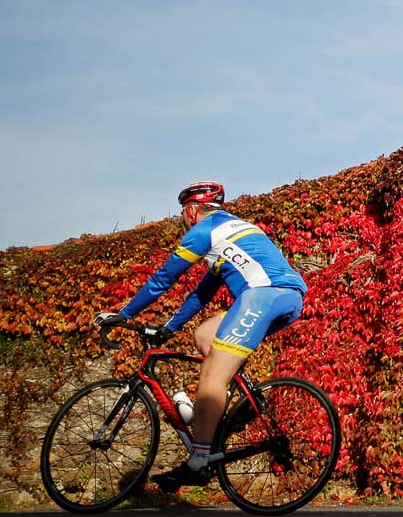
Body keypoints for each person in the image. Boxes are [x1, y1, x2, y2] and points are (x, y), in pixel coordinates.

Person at [95, 181, 308, 491]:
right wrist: (168, 329)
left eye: (184, 213)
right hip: (283, 298)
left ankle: (199, 460)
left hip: (262, 296)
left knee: (211, 378)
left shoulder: (205, 231)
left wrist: (124, 313)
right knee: (205, 336)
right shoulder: (230, 233)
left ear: (192, 210)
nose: (184, 219)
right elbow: (200, 296)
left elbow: (163, 279)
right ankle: (233, 406)